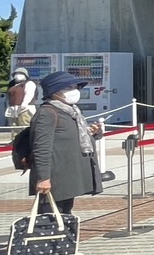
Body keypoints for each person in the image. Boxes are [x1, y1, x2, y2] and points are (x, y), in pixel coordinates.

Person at [28, 71, 103, 216]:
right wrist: (43, 177)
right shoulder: (47, 112)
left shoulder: (71, 111)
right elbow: (41, 147)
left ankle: (62, 236)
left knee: (65, 211)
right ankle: (50, 238)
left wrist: (94, 133)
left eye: (75, 87)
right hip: (55, 176)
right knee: (51, 214)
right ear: (55, 93)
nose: (74, 91)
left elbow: (74, 135)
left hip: (68, 176)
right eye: (68, 88)